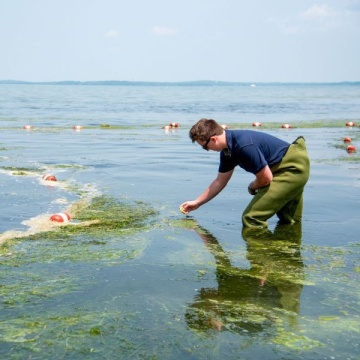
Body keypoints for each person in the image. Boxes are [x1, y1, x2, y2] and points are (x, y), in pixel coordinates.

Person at [180, 118, 310, 228]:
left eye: (205, 146)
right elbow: (219, 181)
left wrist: (252, 186)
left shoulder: (244, 145)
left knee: (251, 219)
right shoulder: (227, 152)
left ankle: (259, 256)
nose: (206, 150)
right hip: (283, 168)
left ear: (214, 139)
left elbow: (265, 178)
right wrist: (197, 202)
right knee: (289, 220)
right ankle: (289, 256)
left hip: (291, 168)